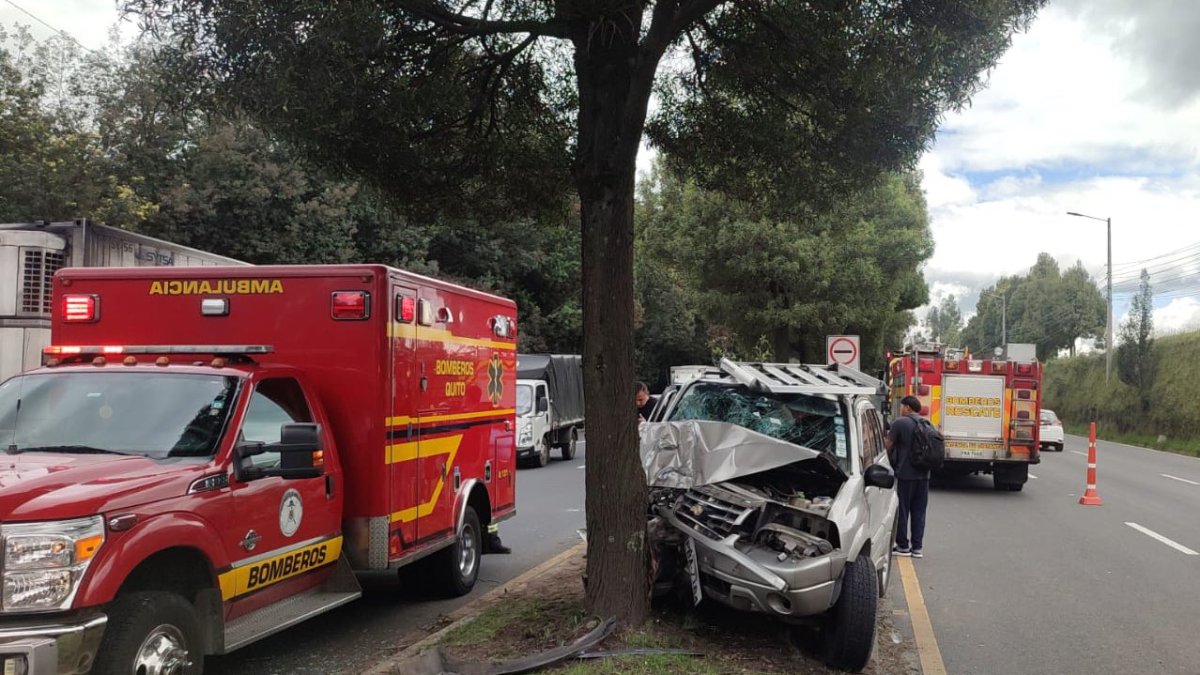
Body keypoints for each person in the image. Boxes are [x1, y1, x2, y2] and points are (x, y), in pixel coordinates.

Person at [884, 395, 930, 559]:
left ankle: (903, 545)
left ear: (908, 408)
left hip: (905, 474)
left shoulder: (899, 423)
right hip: (924, 475)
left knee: (902, 510)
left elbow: (887, 446)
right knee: (919, 511)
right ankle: (917, 547)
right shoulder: (927, 423)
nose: (901, 409)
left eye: (902, 406)